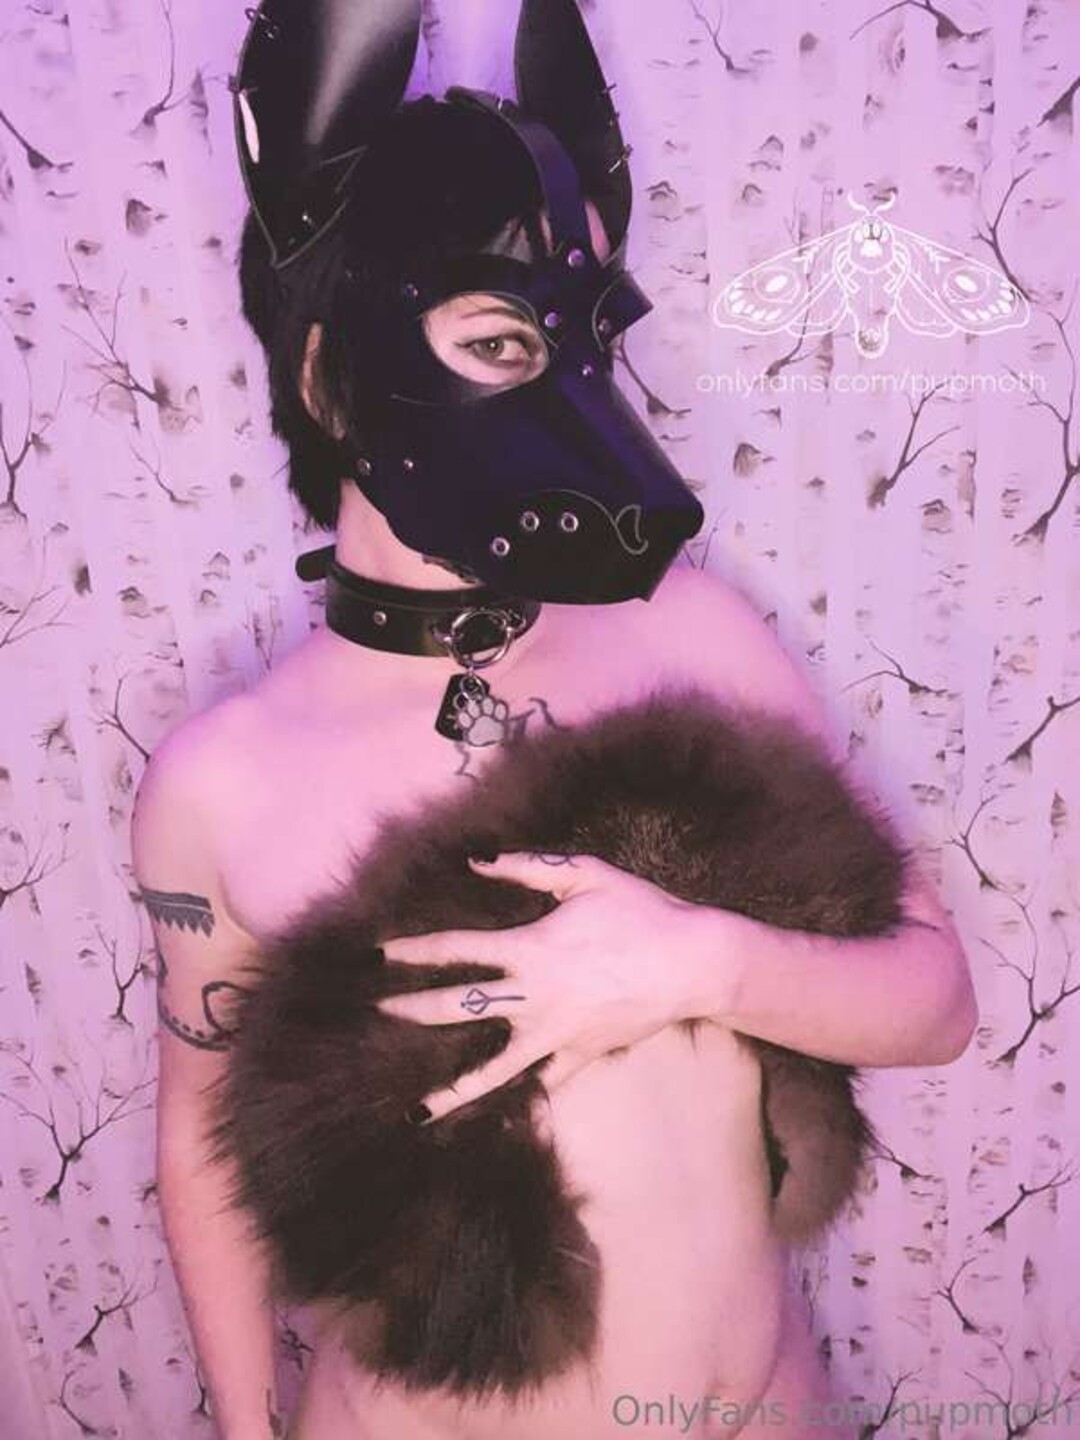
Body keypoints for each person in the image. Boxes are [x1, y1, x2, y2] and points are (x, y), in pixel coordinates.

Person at [131, 3, 978, 1437]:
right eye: (497, 341)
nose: (568, 399)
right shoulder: (221, 780)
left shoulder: (693, 637)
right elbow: (205, 1141)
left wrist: (693, 962)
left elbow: (934, 1003)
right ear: (331, 376)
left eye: (581, 344)